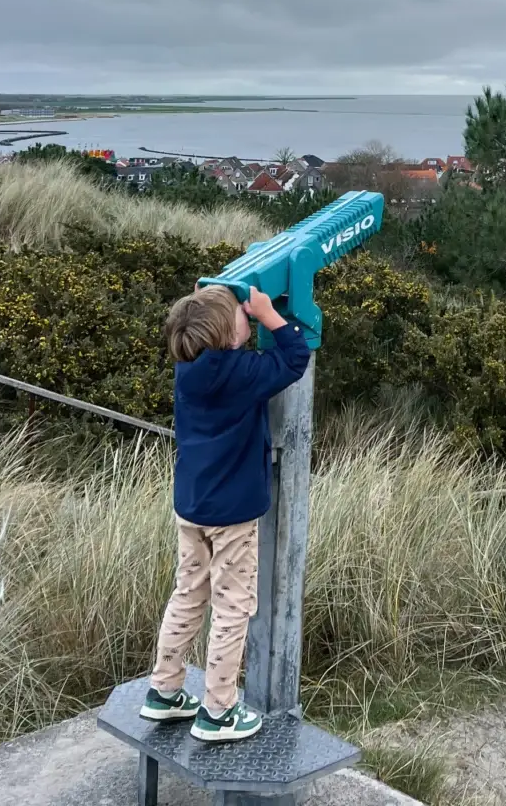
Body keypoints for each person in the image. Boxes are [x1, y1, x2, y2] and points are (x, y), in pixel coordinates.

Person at [140, 284, 309, 742]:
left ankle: (165, 690)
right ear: (229, 337)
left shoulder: (188, 368)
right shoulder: (241, 372)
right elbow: (294, 359)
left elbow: (211, 329)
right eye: (241, 314)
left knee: (189, 594)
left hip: (192, 506)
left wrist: (210, 303)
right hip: (232, 514)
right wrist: (272, 317)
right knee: (233, 608)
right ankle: (218, 711)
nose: (247, 315)